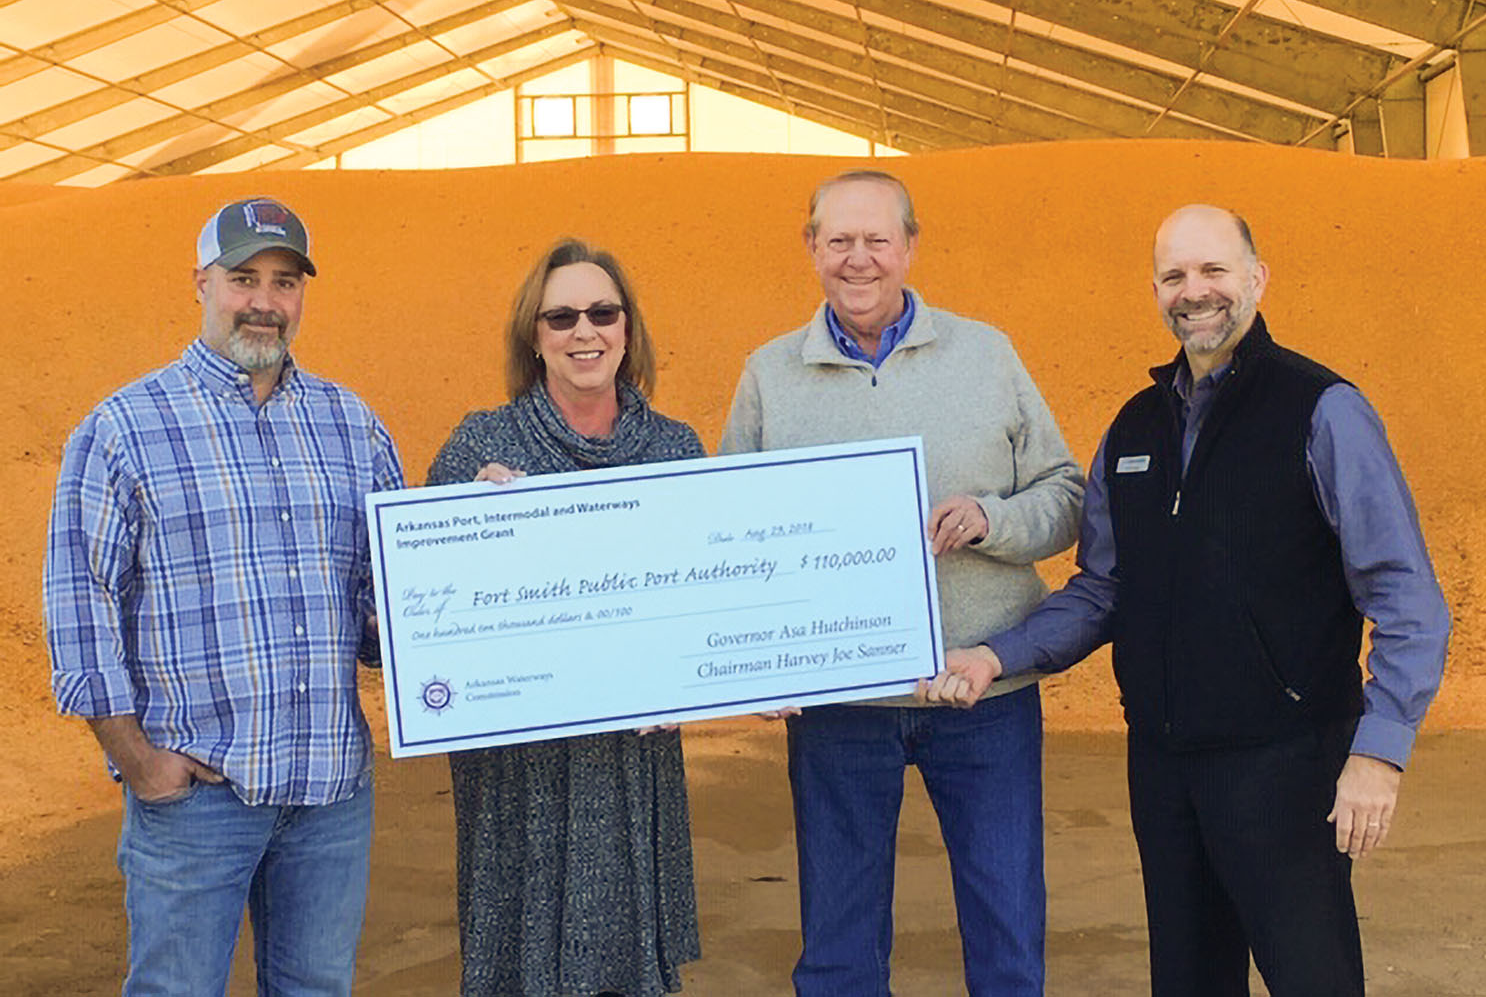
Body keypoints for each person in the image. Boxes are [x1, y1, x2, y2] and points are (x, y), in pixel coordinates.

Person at [924, 204, 1451, 996]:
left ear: (1257, 279)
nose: (1194, 291)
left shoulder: (1323, 410)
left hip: (1289, 762)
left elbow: (1406, 593)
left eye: (1214, 271)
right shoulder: (1136, 428)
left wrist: (1379, 750)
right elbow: (1104, 589)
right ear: (1156, 291)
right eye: (1175, 275)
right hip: (1166, 766)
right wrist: (996, 655)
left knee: (1315, 979)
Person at [720, 169, 1083, 996]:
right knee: (839, 949)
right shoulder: (768, 376)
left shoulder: (987, 354)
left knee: (1007, 936)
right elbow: (734, 536)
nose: (859, 260)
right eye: (838, 241)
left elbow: (1066, 498)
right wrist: (761, 661)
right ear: (811, 248)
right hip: (842, 710)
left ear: (910, 247)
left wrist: (994, 520)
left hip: (984, 690)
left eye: (877, 240)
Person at [44, 196, 404, 995]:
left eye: (285, 282)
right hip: (198, 794)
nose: (265, 302)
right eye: (244, 278)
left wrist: (479, 560)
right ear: (200, 283)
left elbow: (386, 607)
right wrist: (136, 760)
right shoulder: (124, 429)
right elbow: (81, 603)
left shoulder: (352, 425)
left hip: (328, 793)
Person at [426, 239, 702, 997]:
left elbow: (701, 606)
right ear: (533, 336)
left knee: (627, 962)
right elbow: (427, 611)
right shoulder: (480, 448)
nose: (586, 332)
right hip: (522, 773)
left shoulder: (676, 450)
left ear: (628, 327)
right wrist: (466, 523)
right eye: (562, 317)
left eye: (603, 312)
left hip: (631, 759)